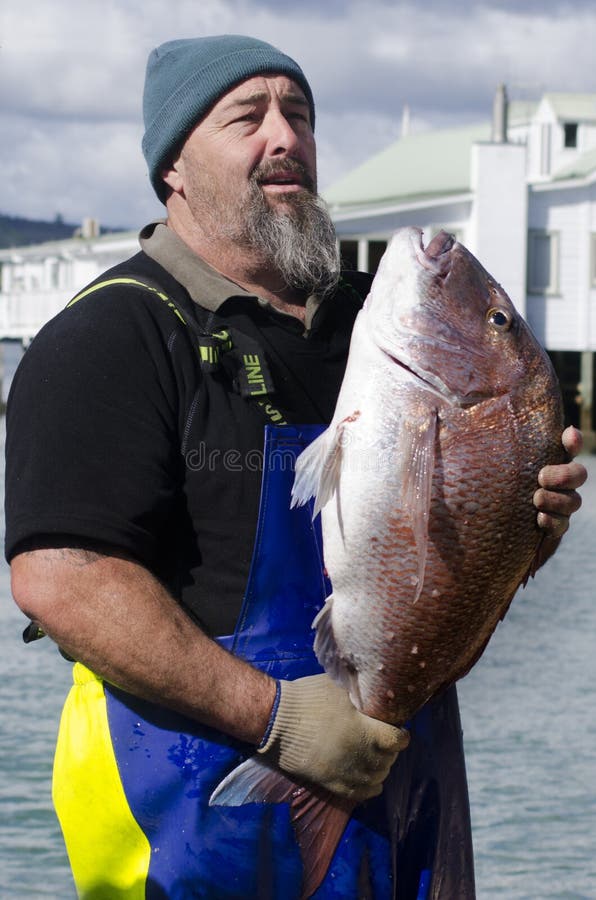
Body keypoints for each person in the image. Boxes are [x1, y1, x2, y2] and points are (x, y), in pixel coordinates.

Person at [5, 35, 586, 900]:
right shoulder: (111, 337)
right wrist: (280, 721)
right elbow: (64, 580)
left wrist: (517, 526)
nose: (286, 138)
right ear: (174, 167)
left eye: (301, 115)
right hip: (202, 838)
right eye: (248, 117)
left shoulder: (369, 329)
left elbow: (428, 566)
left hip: (410, 817)